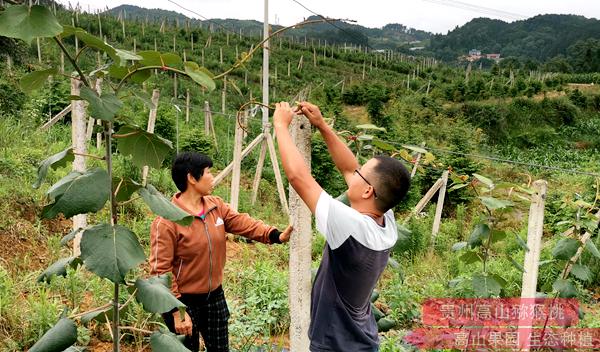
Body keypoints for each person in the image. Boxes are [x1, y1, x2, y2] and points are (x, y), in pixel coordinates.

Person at [273, 101, 411, 351]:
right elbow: (349, 167)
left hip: (334, 343)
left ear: (368, 190)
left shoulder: (350, 227)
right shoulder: (386, 219)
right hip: (362, 338)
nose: (355, 172)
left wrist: (281, 126)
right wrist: (322, 125)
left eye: (362, 174)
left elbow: (298, 177)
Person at [149, 151, 292, 352]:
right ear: (191, 178)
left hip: (214, 297)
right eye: (208, 172)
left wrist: (275, 235)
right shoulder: (167, 221)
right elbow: (159, 271)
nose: (212, 177)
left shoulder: (215, 206)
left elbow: (243, 223)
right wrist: (176, 311)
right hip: (182, 302)